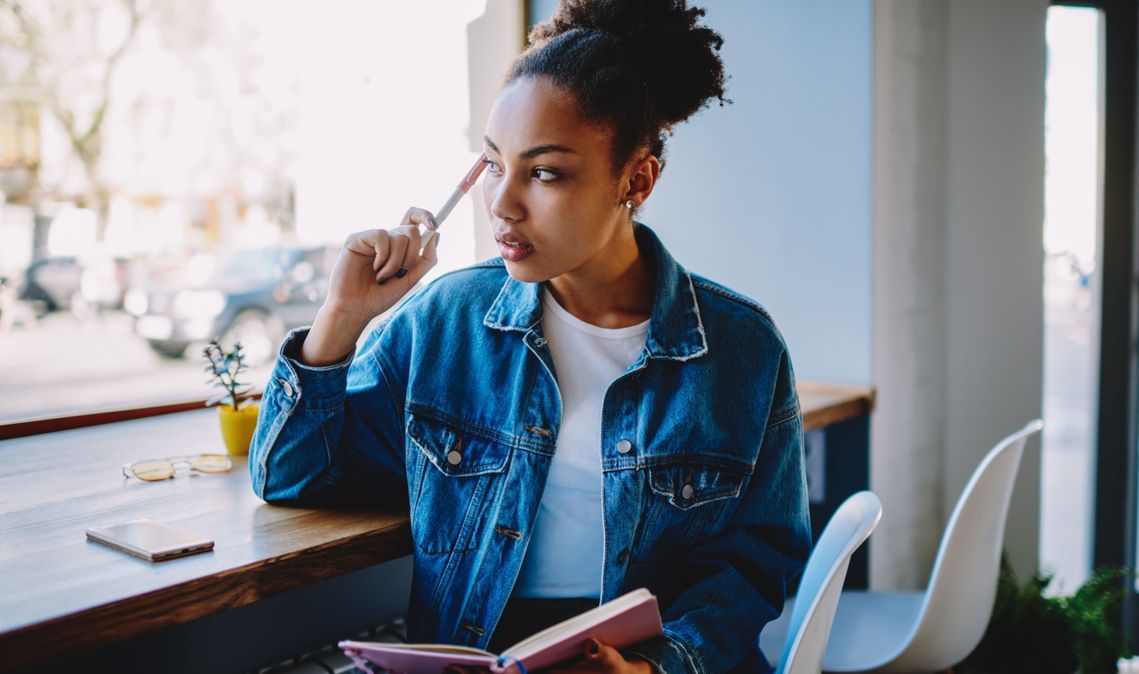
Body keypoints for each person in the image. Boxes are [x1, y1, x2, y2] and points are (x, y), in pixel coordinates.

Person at [249, 1, 811, 671]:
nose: (502, 203)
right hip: (480, 650)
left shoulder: (740, 350)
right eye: (493, 165)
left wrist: (654, 667)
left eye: (544, 172)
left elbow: (754, 564)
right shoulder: (447, 321)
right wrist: (341, 318)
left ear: (637, 180)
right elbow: (286, 475)